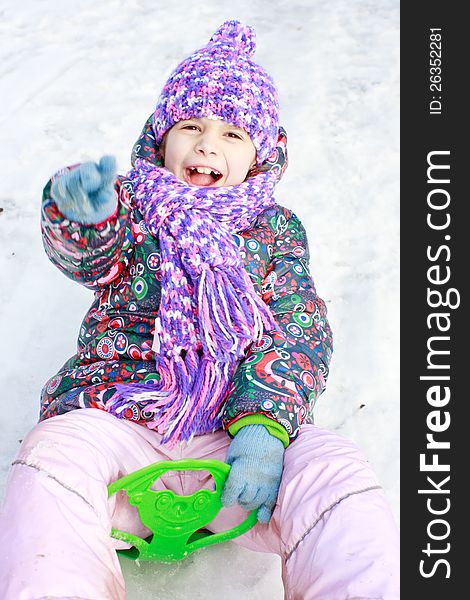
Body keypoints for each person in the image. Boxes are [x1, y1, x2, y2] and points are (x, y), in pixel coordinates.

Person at [0, 20, 399, 600]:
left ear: (261, 155)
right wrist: (82, 219)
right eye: (191, 126)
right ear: (162, 140)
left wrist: (263, 425)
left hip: (234, 453)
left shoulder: (274, 230)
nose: (209, 144)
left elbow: (299, 327)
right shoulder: (133, 208)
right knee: (54, 457)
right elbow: (94, 261)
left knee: (332, 468)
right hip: (124, 423)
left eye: (234, 134)